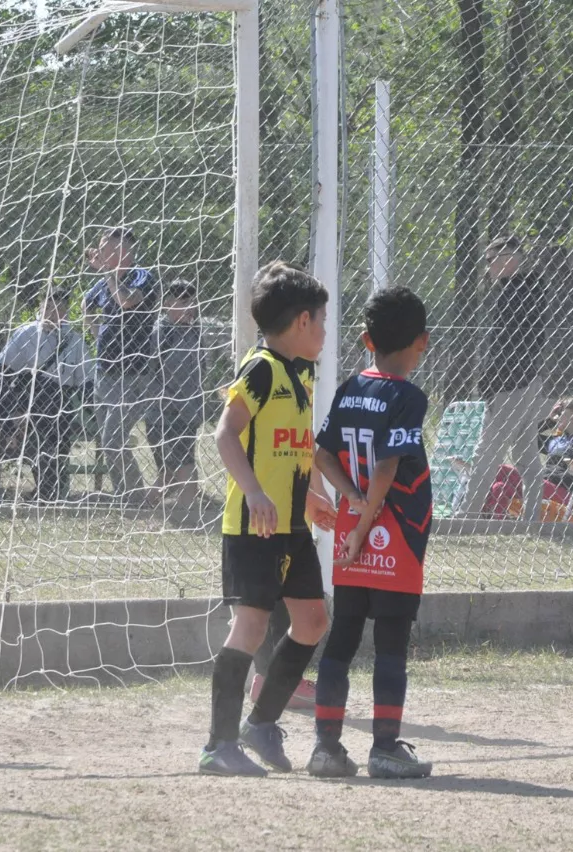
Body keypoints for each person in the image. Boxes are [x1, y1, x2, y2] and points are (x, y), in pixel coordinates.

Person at [199, 261, 337, 777]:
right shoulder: (260, 368)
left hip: (291, 526)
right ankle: (218, 744)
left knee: (312, 621)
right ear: (302, 321)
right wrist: (254, 493)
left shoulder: (302, 371)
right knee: (251, 626)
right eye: (322, 320)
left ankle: (260, 724)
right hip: (252, 525)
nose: (326, 330)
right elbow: (225, 434)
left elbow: (292, 448)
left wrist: (308, 500)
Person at [310, 285, 434, 779]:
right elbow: (387, 467)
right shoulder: (408, 396)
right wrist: (366, 520)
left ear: (365, 340)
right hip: (393, 535)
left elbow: (321, 456)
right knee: (389, 644)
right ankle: (383, 750)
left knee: (341, 639)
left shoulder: (349, 389)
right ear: (422, 342)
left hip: (350, 535)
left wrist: (351, 503)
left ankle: (325, 747)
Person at [462, 235, 546, 521]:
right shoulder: (525, 290)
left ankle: (467, 517)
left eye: (491, 260)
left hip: (511, 385)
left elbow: (508, 345)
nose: (488, 267)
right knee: (526, 456)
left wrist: (491, 381)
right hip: (529, 382)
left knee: (486, 454)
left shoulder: (520, 292)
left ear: (511, 257)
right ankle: (532, 518)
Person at [82, 227, 161, 501]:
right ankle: (126, 493)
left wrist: (108, 273)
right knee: (108, 440)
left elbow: (126, 301)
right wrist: (98, 335)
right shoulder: (105, 281)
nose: (99, 252)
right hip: (104, 371)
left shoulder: (143, 276)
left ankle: (134, 497)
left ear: (123, 252)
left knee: (113, 440)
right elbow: (86, 306)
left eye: (106, 248)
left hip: (132, 374)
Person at [0, 288, 90, 502]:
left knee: (57, 445)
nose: (52, 313)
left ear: (66, 311)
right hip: (30, 394)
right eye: (48, 306)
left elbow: (86, 375)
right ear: (40, 307)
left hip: (59, 397)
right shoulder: (26, 333)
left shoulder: (74, 339)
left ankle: (50, 491)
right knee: (35, 445)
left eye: (59, 308)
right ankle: (42, 489)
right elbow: (5, 367)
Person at [484, 397, 573, 518]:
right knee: (499, 487)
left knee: (501, 470)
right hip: (539, 485)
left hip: (564, 493)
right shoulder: (557, 441)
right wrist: (549, 421)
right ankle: (492, 523)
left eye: (562, 413)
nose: (558, 416)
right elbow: (523, 436)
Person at [150, 281, 205, 505]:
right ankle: (154, 501)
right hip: (163, 405)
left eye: (192, 302)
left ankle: (187, 504)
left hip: (187, 405)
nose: (189, 308)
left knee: (183, 456)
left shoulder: (195, 330)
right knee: (168, 462)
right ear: (168, 304)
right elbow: (155, 370)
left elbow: (202, 367)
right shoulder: (160, 330)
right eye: (183, 302)